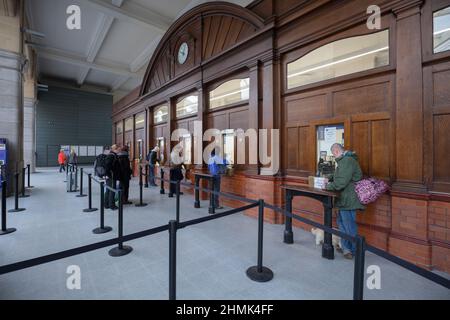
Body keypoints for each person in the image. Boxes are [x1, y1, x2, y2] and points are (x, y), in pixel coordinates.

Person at [325, 143, 365, 260]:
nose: (334, 156)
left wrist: (327, 186)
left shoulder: (347, 161)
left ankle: (354, 250)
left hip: (348, 199)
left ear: (336, 151)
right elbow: (340, 175)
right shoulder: (344, 161)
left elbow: (341, 182)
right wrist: (329, 177)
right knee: (342, 224)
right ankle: (346, 248)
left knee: (348, 226)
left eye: (333, 154)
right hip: (344, 199)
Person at [104, 144, 120, 210]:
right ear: (115, 149)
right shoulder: (112, 156)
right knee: (112, 190)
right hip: (111, 176)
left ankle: (106, 204)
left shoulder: (111, 155)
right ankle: (112, 205)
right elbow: (107, 166)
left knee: (108, 189)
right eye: (118, 148)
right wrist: (108, 174)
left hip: (110, 176)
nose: (119, 150)